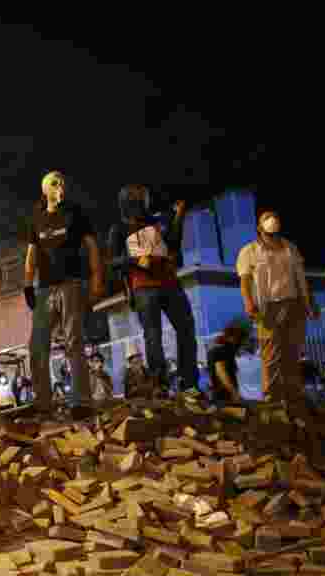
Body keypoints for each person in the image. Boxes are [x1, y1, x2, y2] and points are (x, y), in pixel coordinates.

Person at [24, 171, 104, 419]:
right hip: (45, 288)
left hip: (72, 284)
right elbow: (31, 253)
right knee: (37, 344)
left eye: (62, 182)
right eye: (54, 183)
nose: (60, 186)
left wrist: (97, 278)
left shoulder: (74, 212)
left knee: (73, 341)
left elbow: (91, 246)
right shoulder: (36, 217)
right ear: (44, 189)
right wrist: (27, 285)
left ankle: (81, 401)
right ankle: (42, 402)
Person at [108, 186, 200, 398]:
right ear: (131, 201)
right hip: (143, 287)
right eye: (141, 197)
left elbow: (173, 244)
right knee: (153, 335)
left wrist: (179, 216)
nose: (146, 200)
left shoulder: (156, 222)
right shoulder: (119, 229)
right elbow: (113, 262)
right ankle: (160, 384)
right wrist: (135, 260)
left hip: (170, 282)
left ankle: (189, 382)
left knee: (186, 328)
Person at [237, 210, 319, 406]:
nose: (272, 219)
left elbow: (301, 277)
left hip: (294, 303)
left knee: (293, 353)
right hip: (269, 307)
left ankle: (293, 396)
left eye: (274, 216)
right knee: (271, 354)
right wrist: (248, 302)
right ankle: (272, 399)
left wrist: (310, 302)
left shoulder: (290, 248)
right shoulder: (249, 250)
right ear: (259, 226)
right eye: (266, 217)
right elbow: (245, 280)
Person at [206, 320, 252, 404]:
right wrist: (234, 392)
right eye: (242, 339)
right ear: (234, 337)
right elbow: (221, 372)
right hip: (224, 397)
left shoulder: (219, 348)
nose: (242, 343)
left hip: (222, 395)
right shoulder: (221, 350)